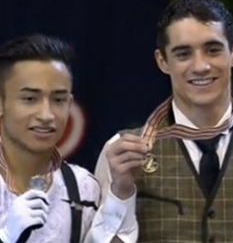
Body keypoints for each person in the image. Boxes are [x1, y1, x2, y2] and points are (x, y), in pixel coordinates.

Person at [95, 0, 233, 242]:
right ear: (163, 61)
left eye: (212, 50)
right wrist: (120, 192)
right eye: (183, 54)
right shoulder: (121, 152)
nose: (200, 66)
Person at [0, 34, 137, 243]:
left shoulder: (82, 188)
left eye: (58, 100)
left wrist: (121, 191)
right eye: (30, 99)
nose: (46, 115)